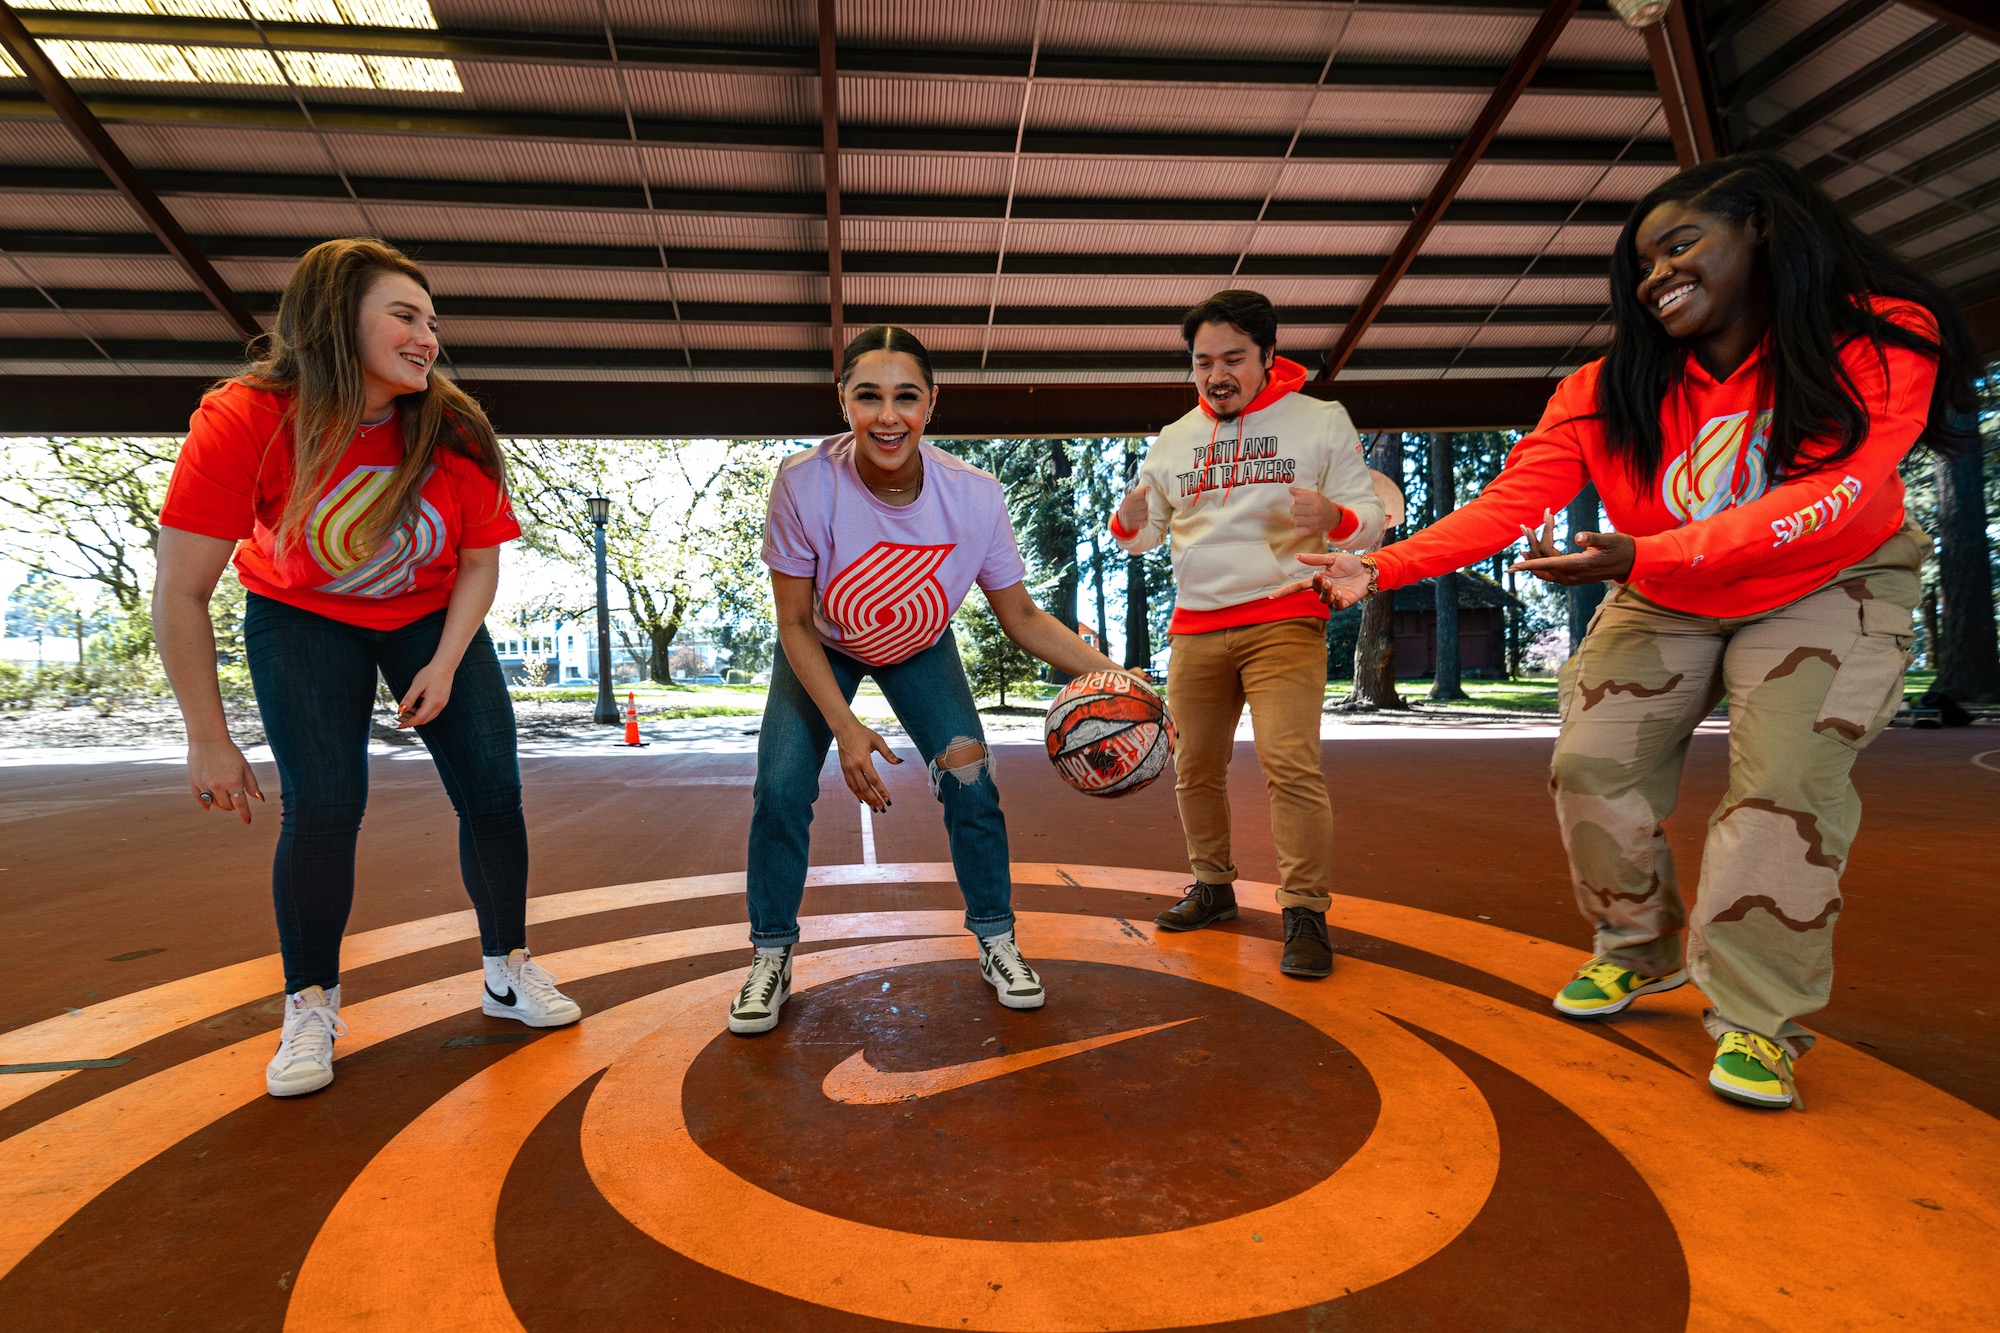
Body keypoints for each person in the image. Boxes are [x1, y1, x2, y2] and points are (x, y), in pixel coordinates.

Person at [1289, 153, 1977, 1108]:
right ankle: (1639, 948)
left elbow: (1843, 489)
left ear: (1761, 228)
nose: (1658, 277)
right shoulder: (1604, 388)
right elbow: (1507, 505)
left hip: (1830, 578)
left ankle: (1757, 1019)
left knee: (1781, 788)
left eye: (1681, 245)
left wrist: (1645, 556)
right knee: (1592, 764)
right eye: (1642, 268)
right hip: (1664, 589)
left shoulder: (1879, 335)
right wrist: (1381, 567)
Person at [153, 238, 580, 1099]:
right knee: (324, 806)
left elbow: (479, 559)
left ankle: (508, 968)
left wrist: (449, 660)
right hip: (301, 612)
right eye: (406, 316)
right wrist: (207, 737)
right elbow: (181, 589)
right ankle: (309, 1003)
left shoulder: (450, 423)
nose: (429, 337)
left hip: (428, 612)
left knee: (494, 791)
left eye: (432, 321)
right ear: (336, 318)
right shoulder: (246, 419)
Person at [731, 325, 1132, 1034]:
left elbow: (1025, 616)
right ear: (843, 401)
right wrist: (846, 730)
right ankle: (771, 953)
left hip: (918, 643)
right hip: (824, 642)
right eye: (869, 397)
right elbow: (793, 623)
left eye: (906, 397)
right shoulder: (803, 483)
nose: (889, 416)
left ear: (931, 402)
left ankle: (996, 938)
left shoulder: (973, 497)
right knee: (782, 784)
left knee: (972, 775)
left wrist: (1123, 678)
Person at [1109, 290, 1386, 978]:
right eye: (1203, 361)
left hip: (1285, 615)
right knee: (1193, 767)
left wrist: (1335, 515)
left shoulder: (1321, 420)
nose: (1216, 374)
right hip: (1196, 626)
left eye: (1233, 357)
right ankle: (1213, 886)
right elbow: (1143, 537)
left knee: (1289, 764)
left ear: (1267, 355)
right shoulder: (1174, 439)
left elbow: (1371, 515)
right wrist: (1127, 519)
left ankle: (1305, 912)